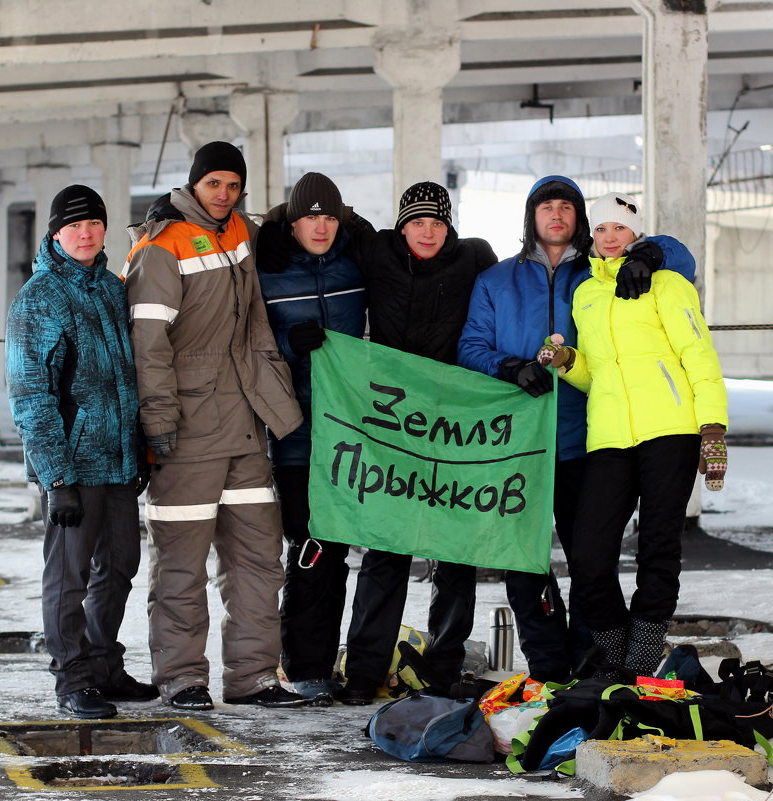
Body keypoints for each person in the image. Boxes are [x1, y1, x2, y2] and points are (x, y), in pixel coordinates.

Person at [455, 176, 697, 688]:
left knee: (593, 558)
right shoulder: (497, 280)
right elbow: (470, 347)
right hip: (516, 443)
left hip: (585, 437)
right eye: (546, 207)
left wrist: (649, 255)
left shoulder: (600, 272)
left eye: (567, 206)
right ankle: (546, 665)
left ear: (581, 219)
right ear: (530, 217)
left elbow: (683, 261)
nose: (557, 215)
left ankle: (595, 664)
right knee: (523, 561)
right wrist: (511, 366)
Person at [121, 141, 308, 711]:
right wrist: (157, 422)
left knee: (257, 559)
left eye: (233, 186)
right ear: (194, 185)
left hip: (246, 426)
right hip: (187, 432)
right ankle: (181, 677)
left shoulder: (240, 233)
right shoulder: (161, 245)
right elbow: (147, 344)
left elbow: (299, 228)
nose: (224, 195)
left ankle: (254, 678)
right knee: (180, 562)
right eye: (213, 185)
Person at [537, 191, 727, 678]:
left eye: (618, 228)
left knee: (658, 547)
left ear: (636, 233)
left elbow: (699, 357)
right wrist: (566, 362)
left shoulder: (668, 284)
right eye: (600, 229)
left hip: (671, 430)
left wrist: (712, 427)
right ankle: (615, 654)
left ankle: (639, 662)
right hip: (610, 437)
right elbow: (595, 374)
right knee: (588, 552)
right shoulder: (586, 293)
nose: (609, 238)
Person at [335, 181, 498, 704]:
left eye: (436, 223)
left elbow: (529, 274)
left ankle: (443, 670)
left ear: (449, 226)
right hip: (392, 430)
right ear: (401, 225)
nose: (426, 232)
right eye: (416, 222)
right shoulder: (375, 249)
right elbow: (308, 218)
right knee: (386, 551)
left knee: (455, 553)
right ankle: (363, 673)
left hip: (452, 429)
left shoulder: (474, 259)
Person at [5, 184, 156, 719]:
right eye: (74, 226)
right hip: (72, 464)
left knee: (119, 567)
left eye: (94, 223)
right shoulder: (40, 298)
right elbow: (30, 394)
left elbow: (126, 378)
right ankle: (72, 680)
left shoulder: (114, 289)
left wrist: (138, 450)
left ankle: (103, 667)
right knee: (68, 577)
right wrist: (55, 477)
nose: (86, 233)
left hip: (116, 460)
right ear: (55, 234)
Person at [254, 172, 368, 706]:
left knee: (339, 548)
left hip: (352, 434)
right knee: (309, 547)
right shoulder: (269, 272)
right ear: (293, 221)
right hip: (297, 434)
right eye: (310, 217)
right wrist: (287, 341)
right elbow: (247, 340)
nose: (320, 226)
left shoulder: (356, 261)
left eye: (329, 216)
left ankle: (329, 662)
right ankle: (302, 665)